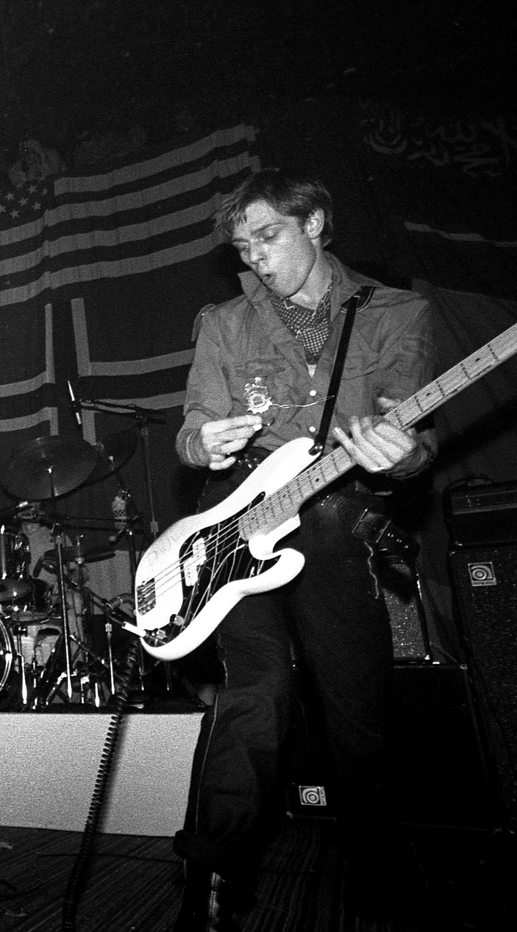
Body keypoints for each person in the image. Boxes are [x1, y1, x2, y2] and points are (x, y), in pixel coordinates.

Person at [171, 169, 434, 930]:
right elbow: (194, 424)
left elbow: (412, 435)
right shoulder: (223, 322)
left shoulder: (396, 313)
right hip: (239, 521)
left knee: (354, 702)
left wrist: (403, 456)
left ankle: (379, 877)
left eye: (268, 234)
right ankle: (212, 876)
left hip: (336, 516)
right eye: (243, 244)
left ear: (315, 222)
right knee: (257, 691)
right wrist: (204, 443)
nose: (253, 255)